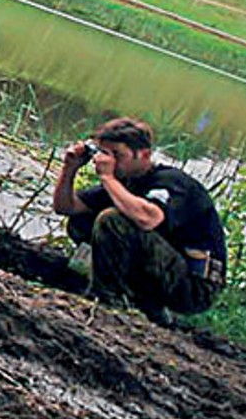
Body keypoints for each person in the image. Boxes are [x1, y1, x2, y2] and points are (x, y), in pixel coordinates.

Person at [51, 117, 227, 322]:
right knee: (81, 223)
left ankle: (107, 301)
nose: (111, 162)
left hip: (195, 286)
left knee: (112, 220)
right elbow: (66, 207)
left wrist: (107, 178)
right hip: (167, 268)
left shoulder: (171, 182)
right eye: (106, 153)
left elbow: (148, 218)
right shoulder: (125, 182)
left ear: (144, 154)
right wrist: (69, 168)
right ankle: (143, 303)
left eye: (118, 155)